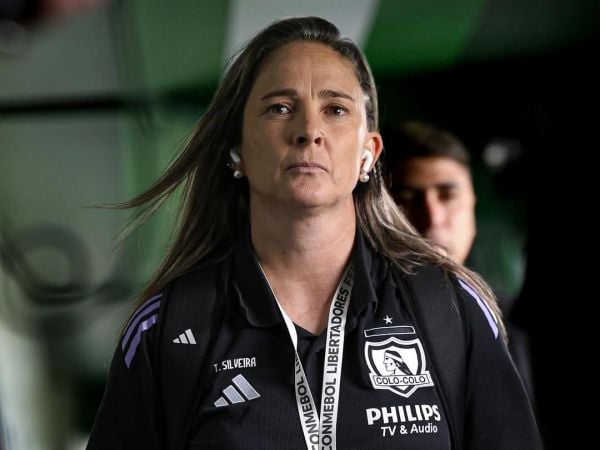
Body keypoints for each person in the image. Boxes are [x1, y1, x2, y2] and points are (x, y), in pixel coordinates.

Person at [87, 17, 541, 450]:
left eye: (335, 109)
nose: (308, 131)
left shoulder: (448, 304)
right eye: (280, 108)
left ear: (368, 154)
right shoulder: (169, 326)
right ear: (236, 150)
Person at [381, 121, 534, 399]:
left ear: (472, 203)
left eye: (448, 195)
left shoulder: (517, 324)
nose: (433, 218)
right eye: (408, 198)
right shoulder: (357, 323)